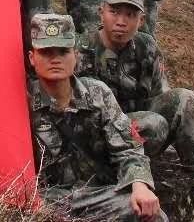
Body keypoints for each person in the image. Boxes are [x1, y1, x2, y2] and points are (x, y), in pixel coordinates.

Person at [76, 0, 194, 213]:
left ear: (141, 20)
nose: (121, 21)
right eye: (114, 12)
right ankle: (122, 178)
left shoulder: (146, 46)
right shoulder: (82, 51)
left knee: (185, 99)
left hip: (139, 121)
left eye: (130, 15)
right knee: (154, 124)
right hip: (99, 135)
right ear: (101, 12)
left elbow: (160, 93)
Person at [28, 13, 166, 222]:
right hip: (47, 201)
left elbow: (128, 147)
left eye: (63, 51)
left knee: (150, 213)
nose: (55, 59)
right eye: (46, 52)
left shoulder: (97, 93)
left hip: (99, 196)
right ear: (32, 58)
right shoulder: (22, 103)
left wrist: (139, 184)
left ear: (75, 56)